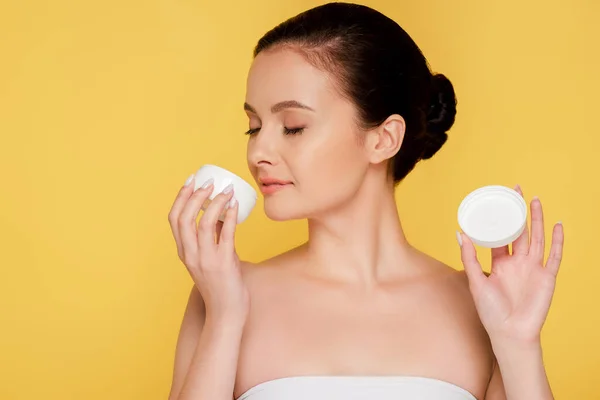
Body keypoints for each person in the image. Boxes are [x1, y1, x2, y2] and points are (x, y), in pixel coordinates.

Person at [166, 3, 565, 399]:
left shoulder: (484, 305)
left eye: (293, 127)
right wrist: (224, 318)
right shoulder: (223, 292)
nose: (258, 153)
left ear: (383, 139)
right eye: (253, 128)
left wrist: (518, 344)